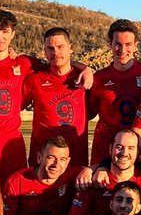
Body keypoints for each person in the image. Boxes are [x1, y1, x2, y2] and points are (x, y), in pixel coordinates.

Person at [0, 9, 92, 183]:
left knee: (13, 193)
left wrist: (86, 68)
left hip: (12, 143)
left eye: (4, 31)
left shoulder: (24, 63)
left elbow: (58, 62)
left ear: (13, 34)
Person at [87, 19, 141, 163]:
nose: (122, 50)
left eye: (128, 45)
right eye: (117, 44)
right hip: (106, 150)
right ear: (109, 44)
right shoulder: (98, 78)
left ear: (136, 46)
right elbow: (88, 113)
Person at [67, 128, 141, 215]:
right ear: (110, 149)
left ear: (138, 152)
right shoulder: (93, 180)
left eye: (131, 148)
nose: (124, 153)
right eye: (119, 147)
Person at [22, 28, 90, 167]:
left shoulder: (84, 79)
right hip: (42, 162)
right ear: (45, 51)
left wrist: (86, 68)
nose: (55, 52)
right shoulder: (35, 80)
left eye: (60, 47)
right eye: (50, 48)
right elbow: (13, 107)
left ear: (71, 48)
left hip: (75, 161)